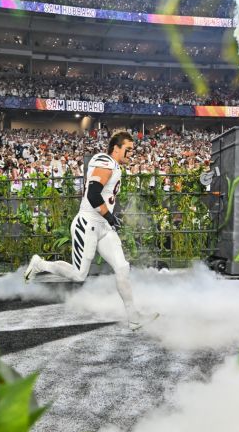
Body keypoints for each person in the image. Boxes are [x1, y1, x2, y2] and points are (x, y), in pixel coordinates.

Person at [23, 132, 151, 329]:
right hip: (88, 223)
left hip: (103, 226)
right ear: (116, 148)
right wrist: (109, 216)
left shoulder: (114, 165)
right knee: (79, 274)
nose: (131, 154)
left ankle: (133, 317)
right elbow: (93, 194)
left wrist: (109, 219)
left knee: (122, 267)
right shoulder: (105, 161)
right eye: (128, 149)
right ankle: (40, 265)